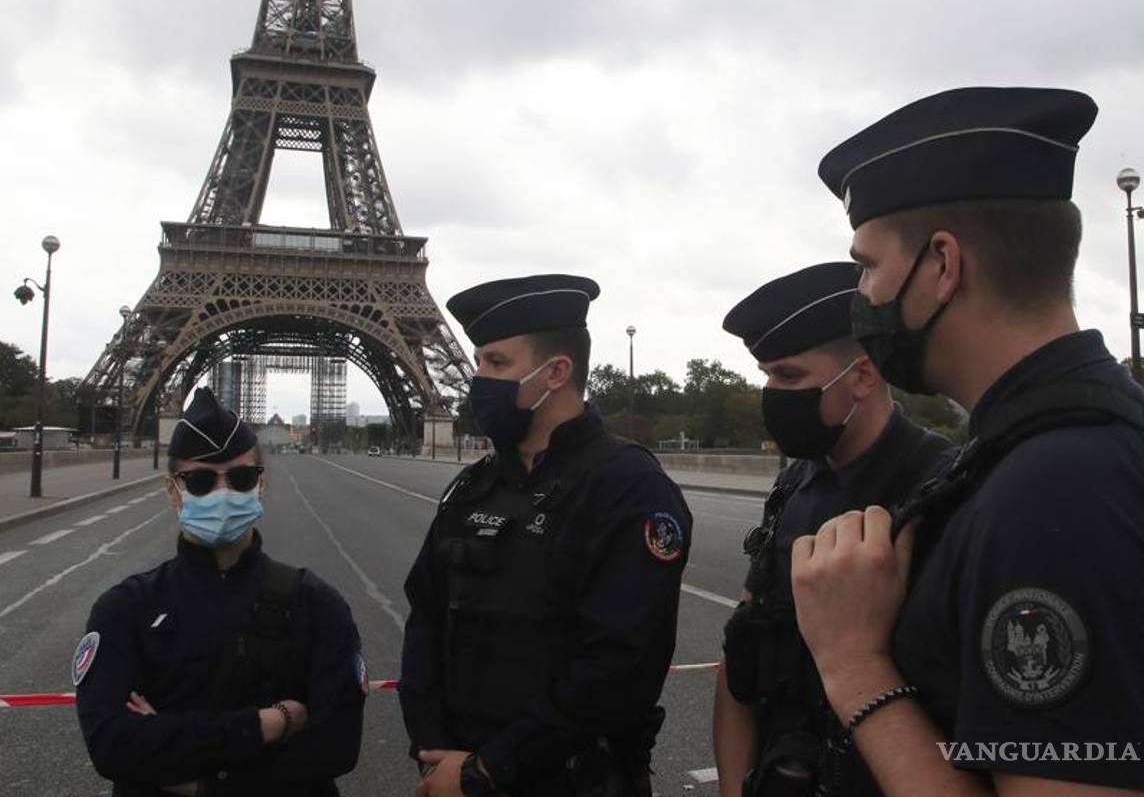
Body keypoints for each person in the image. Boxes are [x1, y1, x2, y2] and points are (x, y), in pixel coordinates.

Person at [786, 86, 1144, 795]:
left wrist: (853, 665)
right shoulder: (1059, 445)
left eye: (868, 266)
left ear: (942, 266)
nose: (862, 298)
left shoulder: (1062, 485)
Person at [398, 274, 691, 796]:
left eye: (497, 364)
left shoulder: (628, 487)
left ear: (556, 371)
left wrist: (486, 768)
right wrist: (435, 753)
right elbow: (425, 616)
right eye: (480, 362)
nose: (479, 379)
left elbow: (620, 666)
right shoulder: (473, 486)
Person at [714, 262, 953, 796]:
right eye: (768, 376)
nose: (772, 393)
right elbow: (741, 662)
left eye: (789, 376)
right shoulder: (794, 486)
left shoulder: (940, 491)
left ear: (863, 377)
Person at [74, 388, 366, 796]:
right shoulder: (123, 609)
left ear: (260, 485)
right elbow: (113, 747)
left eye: (241, 477)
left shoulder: (319, 604)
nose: (222, 492)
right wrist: (272, 723)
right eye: (200, 481)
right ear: (172, 490)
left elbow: (335, 746)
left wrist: (186, 768)